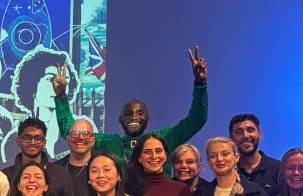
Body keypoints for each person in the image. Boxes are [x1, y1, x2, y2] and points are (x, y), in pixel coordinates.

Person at [53, 46, 209, 165]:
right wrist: (61, 97)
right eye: (128, 114)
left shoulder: (162, 139)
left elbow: (196, 121)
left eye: (140, 113)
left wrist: (200, 84)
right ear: (120, 120)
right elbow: (70, 132)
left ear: (148, 118)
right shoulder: (108, 143)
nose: (134, 117)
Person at [11, 46, 78, 158]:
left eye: (65, 81)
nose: (57, 86)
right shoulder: (13, 138)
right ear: (32, 84)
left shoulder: (80, 129)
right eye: (50, 79)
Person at [1, 117, 74, 196]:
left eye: (38, 138)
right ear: (19, 142)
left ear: (44, 143)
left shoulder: (60, 174)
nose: (33, 142)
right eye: (27, 138)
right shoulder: (5, 175)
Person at [230, 114, 282, 196]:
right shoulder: (228, 172)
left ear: (260, 135)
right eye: (239, 132)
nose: (245, 136)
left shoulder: (279, 169)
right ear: (231, 140)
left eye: (250, 130)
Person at [53, 115, 97, 196]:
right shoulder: (54, 169)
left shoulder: (102, 170)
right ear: (68, 139)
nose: (81, 137)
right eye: (75, 133)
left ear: (93, 141)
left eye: (86, 134)